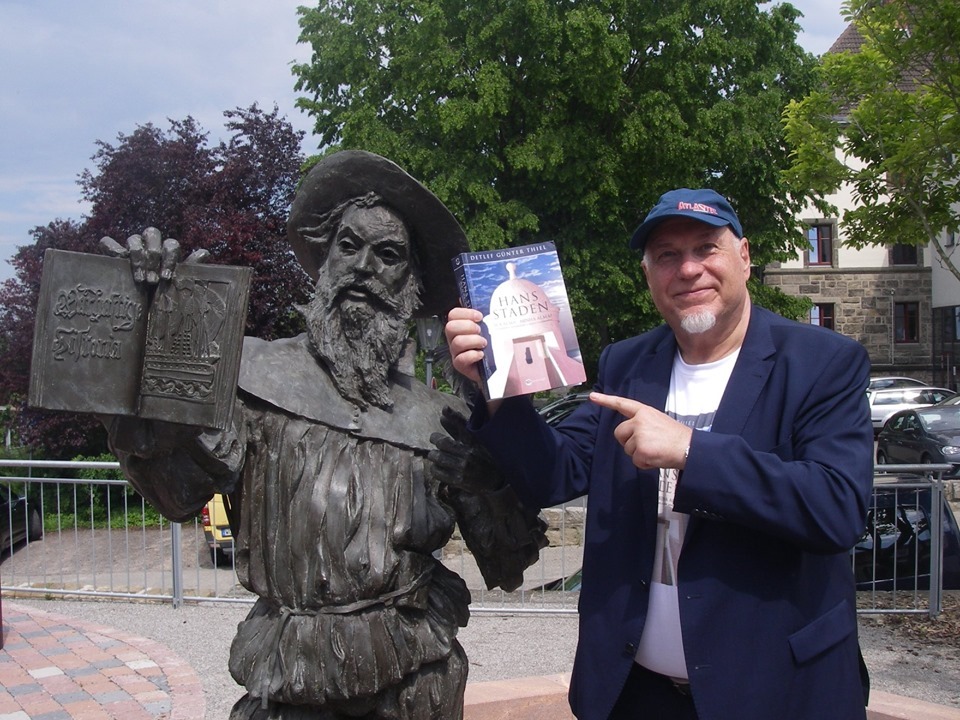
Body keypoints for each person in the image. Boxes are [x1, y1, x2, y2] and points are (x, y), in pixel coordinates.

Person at [100, 150, 546, 720]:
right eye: (348, 245)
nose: (364, 266)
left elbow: (508, 567)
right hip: (290, 685)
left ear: (411, 285)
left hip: (417, 679)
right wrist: (146, 337)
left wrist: (492, 486)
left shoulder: (442, 418)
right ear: (324, 262)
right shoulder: (255, 379)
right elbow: (175, 491)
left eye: (388, 255)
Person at [444, 188, 875, 720]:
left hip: (773, 692)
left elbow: (837, 507)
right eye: (667, 256)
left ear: (743, 256)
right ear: (650, 276)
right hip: (636, 692)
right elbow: (554, 473)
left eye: (706, 248)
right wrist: (495, 387)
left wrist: (692, 452)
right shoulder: (629, 363)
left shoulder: (821, 362)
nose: (688, 269)